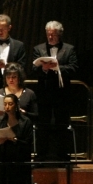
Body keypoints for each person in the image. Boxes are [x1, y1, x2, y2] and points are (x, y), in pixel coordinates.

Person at [30, 20, 79, 159]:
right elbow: (33, 70)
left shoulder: (69, 49)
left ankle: (63, 156)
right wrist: (43, 69)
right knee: (43, 125)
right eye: (48, 34)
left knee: (62, 125)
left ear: (60, 34)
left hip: (62, 93)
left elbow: (74, 68)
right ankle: (41, 156)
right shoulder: (38, 49)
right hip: (44, 93)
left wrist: (57, 68)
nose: (50, 37)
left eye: (53, 35)